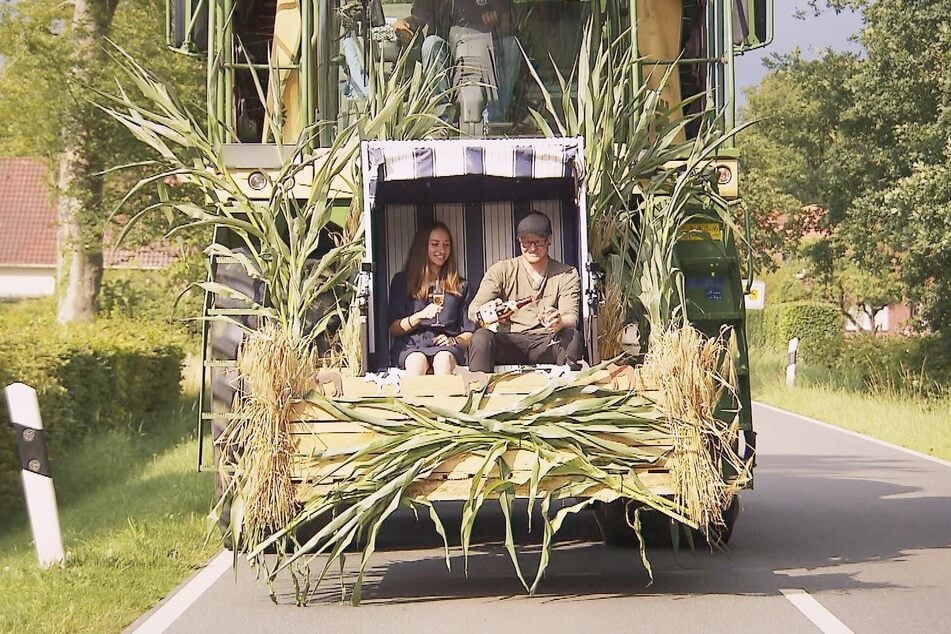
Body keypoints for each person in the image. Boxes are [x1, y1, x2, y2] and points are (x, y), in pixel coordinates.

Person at [467, 211, 584, 372]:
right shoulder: (502, 269)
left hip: (547, 339)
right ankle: (478, 391)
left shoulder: (566, 273)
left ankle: (569, 391)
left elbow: (571, 316)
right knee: (481, 337)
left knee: (572, 337)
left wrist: (560, 321)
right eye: (526, 243)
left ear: (549, 239)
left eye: (539, 242)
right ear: (519, 241)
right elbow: (473, 310)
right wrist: (489, 311)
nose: (533, 248)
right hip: (509, 340)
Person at [392, 0, 520, 126]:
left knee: (511, 46)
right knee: (430, 44)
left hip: (488, 52)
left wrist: (497, 19)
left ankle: (495, 120)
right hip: (449, 56)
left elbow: (508, 20)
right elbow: (417, 18)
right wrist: (404, 24)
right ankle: (442, 120)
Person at [388, 221, 476, 375]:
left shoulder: (460, 285)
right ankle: (414, 400)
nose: (441, 250)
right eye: (435, 244)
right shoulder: (403, 281)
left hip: (445, 344)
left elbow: (470, 332)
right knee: (417, 362)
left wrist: (454, 341)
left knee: (443, 360)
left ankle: (444, 399)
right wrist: (419, 316)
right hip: (412, 344)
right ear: (423, 247)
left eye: (447, 245)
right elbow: (393, 329)